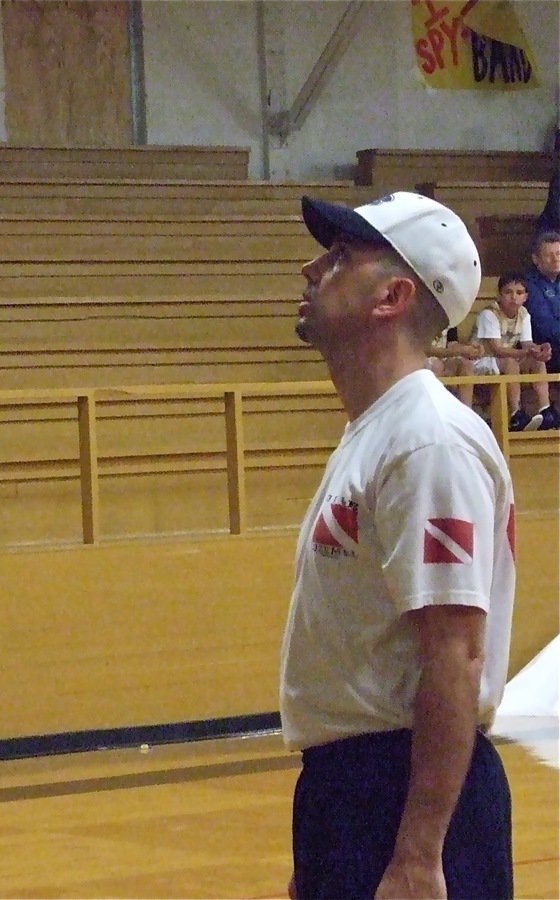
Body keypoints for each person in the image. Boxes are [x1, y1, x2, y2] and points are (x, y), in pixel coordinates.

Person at [282, 192, 516, 899]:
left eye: (341, 256)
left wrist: (418, 853)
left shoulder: (426, 441)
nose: (312, 268)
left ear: (393, 295)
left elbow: (456, 652)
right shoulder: (378, 431)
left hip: (402, 788)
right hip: (351, 790)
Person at [472, 272, 556, 431]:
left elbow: (526, 344)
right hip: (481, 360)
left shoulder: (524, 314)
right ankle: (516, 413)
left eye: (519, 293)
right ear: (499, 295)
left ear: (526, 297)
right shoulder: (489, 314)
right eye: (508, 292)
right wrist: (527, 353)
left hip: (505, 360)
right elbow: (497, 349)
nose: (513, 297)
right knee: (511, 363)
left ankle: (545, 409)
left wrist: (538, 350)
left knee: (537, 361)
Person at [523, 230, 560, 415]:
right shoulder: (529, 285)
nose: (556, 259)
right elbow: (544, 326)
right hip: (545, 349)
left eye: (559, 254)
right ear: (536, 259)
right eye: (549, 255)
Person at [424, 325, 480, 409]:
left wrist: (467, 349)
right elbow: (425, 349)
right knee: (437, 366)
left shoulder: (450, 318)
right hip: (420, 359)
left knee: (466, 366)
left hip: (444, 357)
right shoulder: (419, 317)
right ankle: (436, 411)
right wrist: (454, 352)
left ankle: (466, 413)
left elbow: (452, 344)